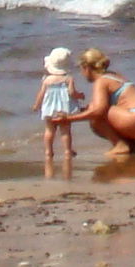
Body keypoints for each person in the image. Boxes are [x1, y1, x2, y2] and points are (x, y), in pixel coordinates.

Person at [75, 48, 135, 157]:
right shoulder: (113, 75)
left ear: (86, 68)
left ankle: (120, 145)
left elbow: (98, 111)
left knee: (95, 112)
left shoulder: (101, 81)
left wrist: (68, 119)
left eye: (81, 69)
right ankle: (132, 146)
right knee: (93, 109)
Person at [38, 46, 79, 179]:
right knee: (65, 131)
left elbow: (41, 94)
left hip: (49, 109)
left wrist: (36, 105)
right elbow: (72, 93)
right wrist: (80, 96)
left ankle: (48, 151)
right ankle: (67, 151)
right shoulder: (68, 79)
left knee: (49, 131)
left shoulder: (47, 80)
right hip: (64, 110)